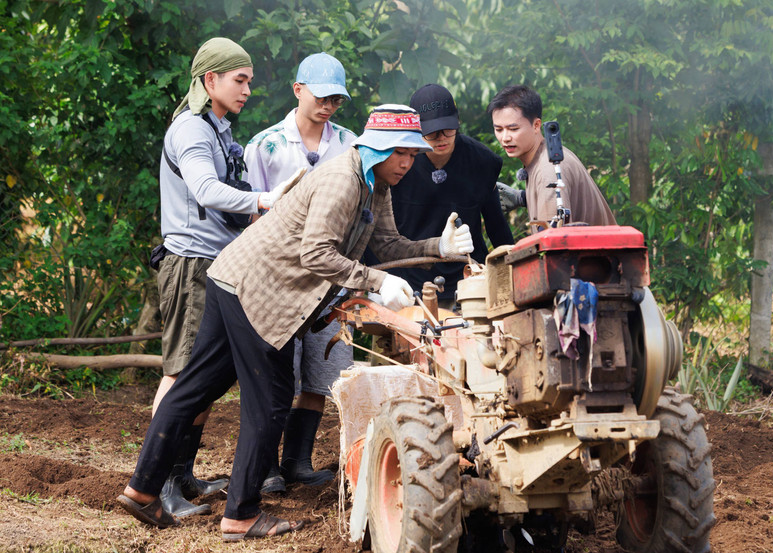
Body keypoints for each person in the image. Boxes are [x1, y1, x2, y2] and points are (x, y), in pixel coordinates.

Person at [117, 104, 475, 540]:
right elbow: (316, 254)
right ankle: (241, 515)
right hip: (256, 290)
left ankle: (140, 490)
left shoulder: (374, 184)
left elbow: (386, 243)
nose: (407, 162)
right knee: (270, 399)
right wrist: (376, 281)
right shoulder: (343, 181)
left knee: (197, 385)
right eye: (400, 152)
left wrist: (441, 246)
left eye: (413, 154)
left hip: (232, 277)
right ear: (377, 148)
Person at [150, 36, 292, 518]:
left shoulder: (218, 130)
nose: (248, 89)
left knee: (204, 380)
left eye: (249, 80)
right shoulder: (190, 130)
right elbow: (207, 191)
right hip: (191, 263)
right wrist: (265, 200)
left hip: (217, 264)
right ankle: (160, 485)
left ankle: (182, 473)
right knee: (181, 376)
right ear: (210, 80)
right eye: (240, 79)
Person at [243, 52, 358, 493]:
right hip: (281, 277)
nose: (328, 106)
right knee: (275, 374)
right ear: (298, 90)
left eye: (337, 100)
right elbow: (253, 215)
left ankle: (297, 460)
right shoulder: (265, 145)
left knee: (324, 369)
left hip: (331, 276)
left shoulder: (349, 143)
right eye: (322, 96)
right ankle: (266, 466)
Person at [379, 84, 514, 307]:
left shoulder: (483, 161)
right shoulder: (397, 162)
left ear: (457, 122)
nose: (441, 138)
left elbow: (496, 225)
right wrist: (378, 285)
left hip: (467, 277)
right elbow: (377, 230)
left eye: (447, 129)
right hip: (407, 277)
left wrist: (510, 272)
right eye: (430, 132)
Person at [487, 85, 616, 231]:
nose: (505, 138)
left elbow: (553, 241)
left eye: (513, 129)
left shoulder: (547, 171)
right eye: (498, 129)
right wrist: (523, 198)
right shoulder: (548, 155)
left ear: (536, 125)